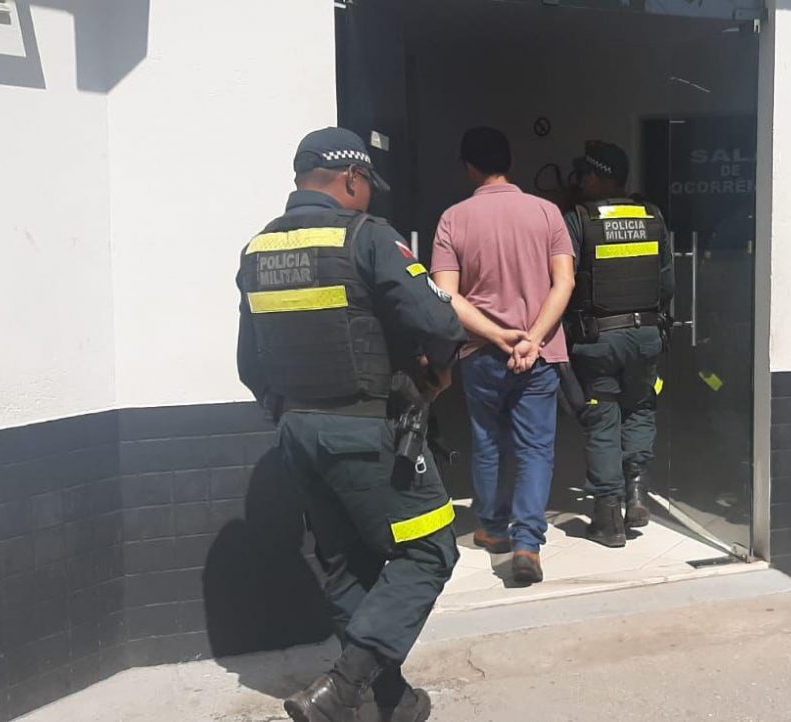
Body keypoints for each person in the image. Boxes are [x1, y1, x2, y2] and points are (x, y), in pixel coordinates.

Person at [236, 127, 467, 722]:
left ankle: (388, 700)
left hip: (296, 433)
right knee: (430, 549)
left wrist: (296, 411)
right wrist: (437, 374)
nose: (368, 195)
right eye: (367, 184)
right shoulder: (367, 236)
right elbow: (441, 324)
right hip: (366, 429)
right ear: (352, 178)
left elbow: (249, 365)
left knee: (347, 564)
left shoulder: (257, 251)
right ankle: (341, 690)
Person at [431, 127, 575, 585]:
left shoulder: (453, 219)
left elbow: (445, 295)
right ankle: (527, 543)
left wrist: (498, 336)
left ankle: (493, 529)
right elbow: (565, 282)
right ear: (509, 162)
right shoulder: (547, 212)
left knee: (489, 441)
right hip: (539, 354)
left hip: (482, 353)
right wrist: (532, 338)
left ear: (469, 168)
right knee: (535, 448)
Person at [563, 141, 675, 548]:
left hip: (599, 340)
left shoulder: (579, 219)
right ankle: (637, 491)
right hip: (646, 335)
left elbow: (563, 281)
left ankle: (608, 516)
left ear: (596, 176)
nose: (579, 182)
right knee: (641, 408)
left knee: (603, 418)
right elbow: (666, 282)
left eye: (583, 174)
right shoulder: (652, 216)